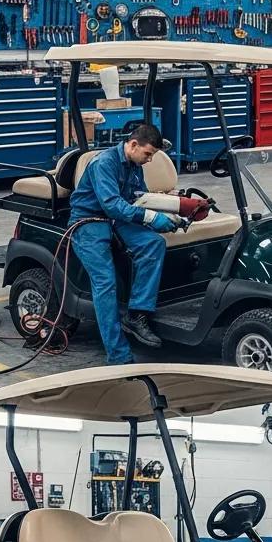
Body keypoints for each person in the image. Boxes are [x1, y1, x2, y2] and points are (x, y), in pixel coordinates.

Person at [69, 124, 181, 365]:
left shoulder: (134, 165)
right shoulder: (104, 163)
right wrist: (150, 217)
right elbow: (111, 204)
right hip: (89, 219)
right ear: (133, 145)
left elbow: (135, 198)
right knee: (105, 282)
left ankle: (137, 313)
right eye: (148, 154)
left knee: (153, 244)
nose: (149, 160)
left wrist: (170, 210)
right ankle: (118, 355)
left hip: (117, 218)